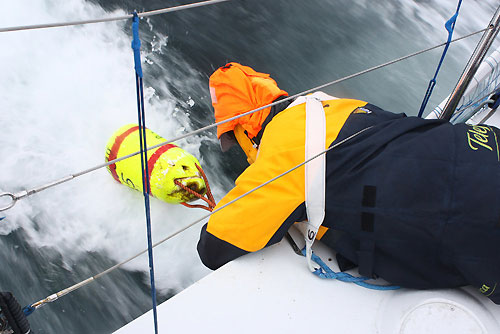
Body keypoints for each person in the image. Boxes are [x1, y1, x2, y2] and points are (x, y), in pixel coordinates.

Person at [197, 62, 500, 304]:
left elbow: (214, 247)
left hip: (480, 223)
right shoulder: (335, 106)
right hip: (483, 147)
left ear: (243, 131)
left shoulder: (282, 158)